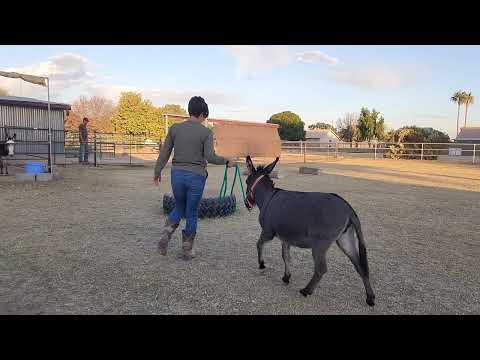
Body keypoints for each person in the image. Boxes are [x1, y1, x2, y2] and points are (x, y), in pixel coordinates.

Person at [154, 96, 236, 260]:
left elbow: (165, 152)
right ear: (203, 113)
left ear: (190, 111)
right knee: (191, 213)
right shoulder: (206, 132)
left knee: (178, 207)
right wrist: (227, 161)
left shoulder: (175, 128)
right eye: (205, 116)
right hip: (196, 177)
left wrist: (157, 171)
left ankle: (166, 233)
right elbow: (210, 156)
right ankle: (187, 249)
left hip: (177, 175)